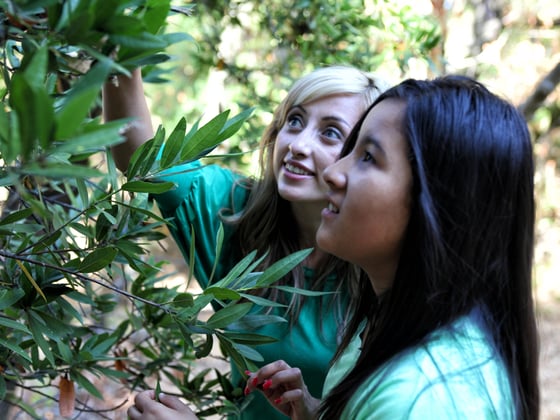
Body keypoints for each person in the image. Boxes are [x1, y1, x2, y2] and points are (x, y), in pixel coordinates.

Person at [240, 76, 540, 419]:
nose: (333, 173)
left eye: (367, 157)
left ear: (439, 204)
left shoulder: (420, 400)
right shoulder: (382, 326)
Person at [103, 65, 391, 419]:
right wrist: (118, 54)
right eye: (295, 121)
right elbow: (141, 158)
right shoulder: (233, 212)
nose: (298, 145)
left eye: (330, 133)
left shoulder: (381, 265)